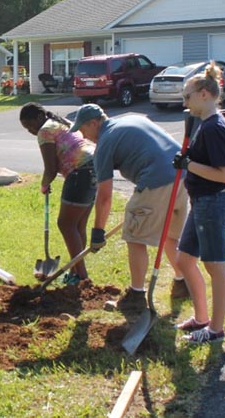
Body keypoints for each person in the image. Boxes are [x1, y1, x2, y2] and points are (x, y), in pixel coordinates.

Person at [70, 103, 188, 307]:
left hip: (156, 180)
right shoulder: (132, 118)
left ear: (94, 123)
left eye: (83, 130)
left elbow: (105, 195)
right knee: (170, 237)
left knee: (135, 238)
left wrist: (98, 230)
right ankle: (182, 283)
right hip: (183, 176)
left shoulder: (105, 143)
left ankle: (136, 295)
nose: (83, 136)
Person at [174, 63, 225, 344]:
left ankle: (216, 330)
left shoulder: (213, 128)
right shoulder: (210, 122)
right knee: (184, 259)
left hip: (211, 203)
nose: (185, 102)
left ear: (204, 93)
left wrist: (190, 164)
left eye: (188, 96)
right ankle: (201, 318)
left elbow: (223, 174)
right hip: (202, 202)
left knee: (214, 265)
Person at [19, 103, 96, 284]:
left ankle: (82, 277)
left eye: (30, 125)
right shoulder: (62, 122)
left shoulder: (45, 131)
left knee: (66, 224)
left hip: (80, 173)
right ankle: (77, 272)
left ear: (39, 117)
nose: (31, 131)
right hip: (95, 168)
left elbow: (51, 169)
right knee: (77, 226)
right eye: (26, 129)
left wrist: (44, 185)